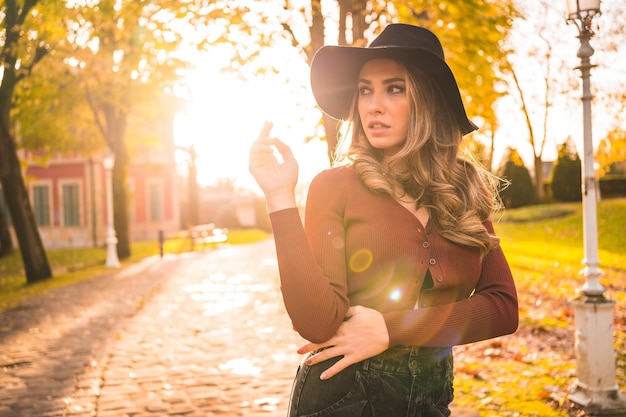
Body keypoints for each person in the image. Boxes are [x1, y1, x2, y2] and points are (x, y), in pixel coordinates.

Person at [249, 23, 518, 417]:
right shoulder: (335, 186)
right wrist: (278, 197)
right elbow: (318, 324)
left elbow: (502, 307)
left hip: (432, 398)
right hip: (343, 396)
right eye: (364, 90)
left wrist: (391, 329)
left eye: (394, 88)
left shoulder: (464, 191)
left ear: (428, 100)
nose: (373, 105)